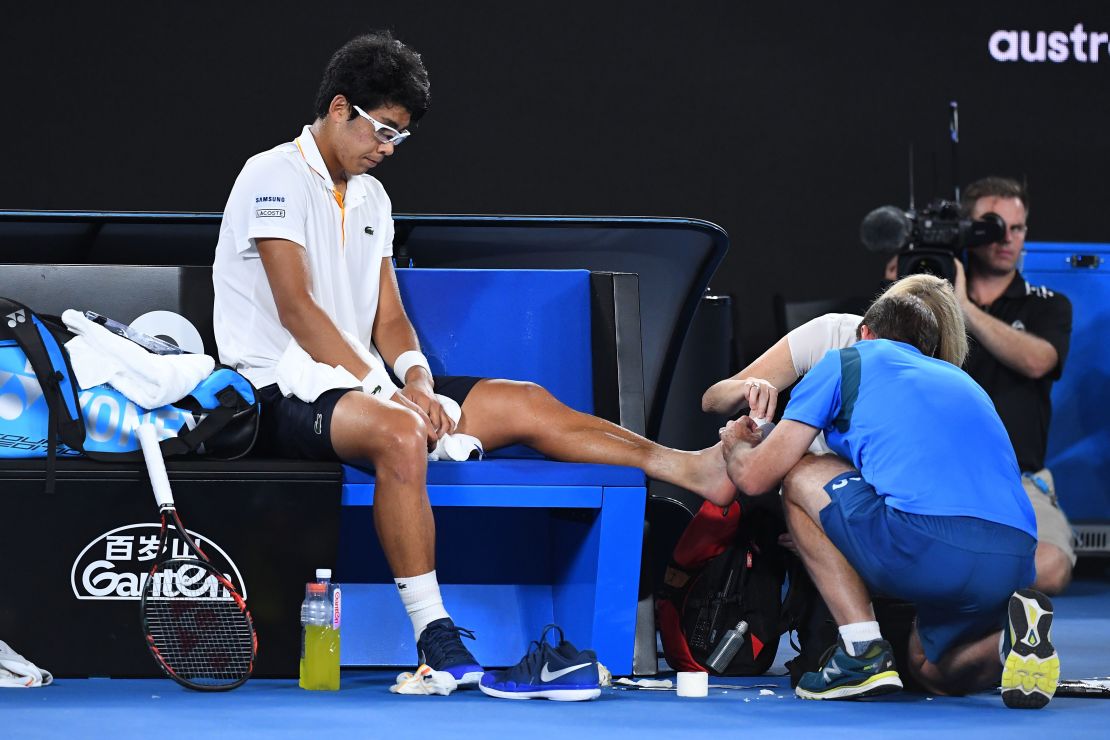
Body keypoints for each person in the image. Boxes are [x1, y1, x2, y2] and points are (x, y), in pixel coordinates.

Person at [211, 31, 733, 685]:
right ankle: (435, 637)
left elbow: (390, 317)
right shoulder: (271, 175)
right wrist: (386, 393)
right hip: (277, 389)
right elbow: (298, 311)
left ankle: (687, 466)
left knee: (524, 401)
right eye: (383, 131)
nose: (388, 149)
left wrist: (419, 380)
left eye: (400, 138)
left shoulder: (372, 200)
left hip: (361, 384)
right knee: (402, 432)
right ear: (340, 108)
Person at [718, 288, 1058, 707]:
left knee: (801, 472)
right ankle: (1011, 641)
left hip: (927, 546)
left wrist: (736, 443)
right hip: (1015, 561)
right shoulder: (963, 381)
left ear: (865, 332)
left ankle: (862, 653)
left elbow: (755, 478)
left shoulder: (846, 361)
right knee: (928, 668)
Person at [958, 177, 1075, 595]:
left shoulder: (1047, 303)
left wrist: (966, 310)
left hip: (1019, 481)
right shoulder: (931, 300)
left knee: (1050, 567)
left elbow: (1038, 360)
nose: (1008, 239)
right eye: (993, 226)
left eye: (1018, 228)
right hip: (941, 477)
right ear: (967, 231)